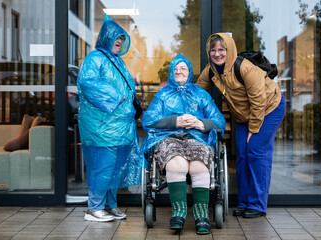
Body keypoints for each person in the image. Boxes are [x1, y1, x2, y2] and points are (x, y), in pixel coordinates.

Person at [197, 33, 286, 218]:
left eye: (222, 49)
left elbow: (259, 100)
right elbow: (197, 92)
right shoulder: (211, 70)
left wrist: (253, 129)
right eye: (213, 50)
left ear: (229, 50)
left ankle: (257, 204)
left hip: (269, 108)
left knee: (256, 151)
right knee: (242, 155)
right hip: (244, 114)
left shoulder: (245, 68)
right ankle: (244, 202)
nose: (217, 54)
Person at [140, 53, 226, 234]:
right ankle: (179, 211)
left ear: (189, 72)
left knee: (198, 166)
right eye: (175, 69)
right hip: (169, 138)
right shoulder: (163, 95)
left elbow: (218, 121)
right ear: (171, 73)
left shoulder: (200, 94)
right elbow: (148, 120)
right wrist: (175, 122)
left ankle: (200, 214)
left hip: (197, 138)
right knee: (177, 164)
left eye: (183, 68)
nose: (179, 71)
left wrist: (201, 123)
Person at [77, 14, 141, 222]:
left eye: (122, 38)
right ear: (106, 37)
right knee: (102, 166)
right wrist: (116, 97)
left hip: (120, 127)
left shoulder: (117, 61)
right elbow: (88, 83)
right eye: (116, 37)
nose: (120, 41)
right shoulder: (95, 58)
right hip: (101, 127)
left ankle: (110, 206)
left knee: (114, 168)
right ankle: (94, 208)